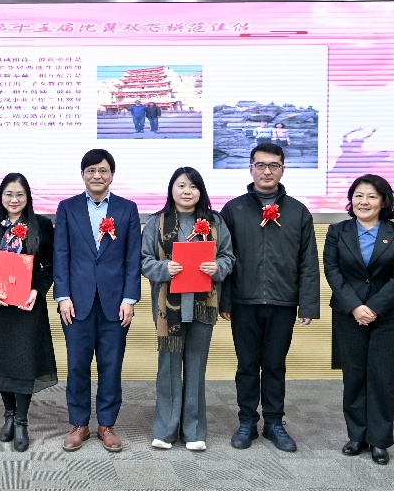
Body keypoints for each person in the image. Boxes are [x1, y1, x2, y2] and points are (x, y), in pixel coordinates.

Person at [220, 143, 319, 453]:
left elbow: (308, 262)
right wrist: (224, 301)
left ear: (282, 170)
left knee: (275, 365)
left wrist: (307, 304)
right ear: (250, 169)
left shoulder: (298, 211)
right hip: (243, 302)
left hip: (283, 302)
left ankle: (274, 422)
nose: (267, 171)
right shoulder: (233, 209)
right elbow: (223, 258)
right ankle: (247, 421)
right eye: (260, 165)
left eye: (273, 165)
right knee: (247, 365)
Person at [140, 167, 234, 451]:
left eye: (193, 186)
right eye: (181, 186)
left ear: (200, 191)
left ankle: (194, 431)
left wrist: (217, 267)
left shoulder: (215, 221)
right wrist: (163, 268)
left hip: (203, 306)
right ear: (172, 189)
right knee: (168, 369)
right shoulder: (156, 222)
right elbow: (143, 261)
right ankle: (165, 430)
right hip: (167, 308)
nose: (187, 191)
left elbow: (228, 257)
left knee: (196, 367)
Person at [323, 174, 394, 465]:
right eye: (359, 195)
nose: (364, 201)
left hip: (389, 316)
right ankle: (357, 435)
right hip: (349, 315)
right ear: (351, 200)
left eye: (372, 196)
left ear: (383, 201)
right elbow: (332, 271)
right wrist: (355, 307)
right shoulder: (337, 231)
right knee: (354, 376)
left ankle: (379, 440)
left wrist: (373, 307)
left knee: (382, 378)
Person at [53, 149, 141, 452]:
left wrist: (130, 298)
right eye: (91, 170)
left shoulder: (127, 209)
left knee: (111, 365)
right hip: (76, 303)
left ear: (112, 175)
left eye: (103, 170)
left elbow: (132, 258)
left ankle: (107, 424)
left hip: (115, 303)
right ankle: (79, 424)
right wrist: (63, 296)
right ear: (83, 175)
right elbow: (61, 254)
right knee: (77, 365)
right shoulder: (67, 208)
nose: (97, 176)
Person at [0, 173, 58, 452]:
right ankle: (8, 415)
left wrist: (37, 291)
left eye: (20, 194)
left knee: (24, 362)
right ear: (0, 196)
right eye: (9, 194)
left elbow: (51, 264)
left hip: (27, 307)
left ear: (28, 197)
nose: (14, 200)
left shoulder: (41, 224)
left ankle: (21, 420)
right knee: (1, 361)